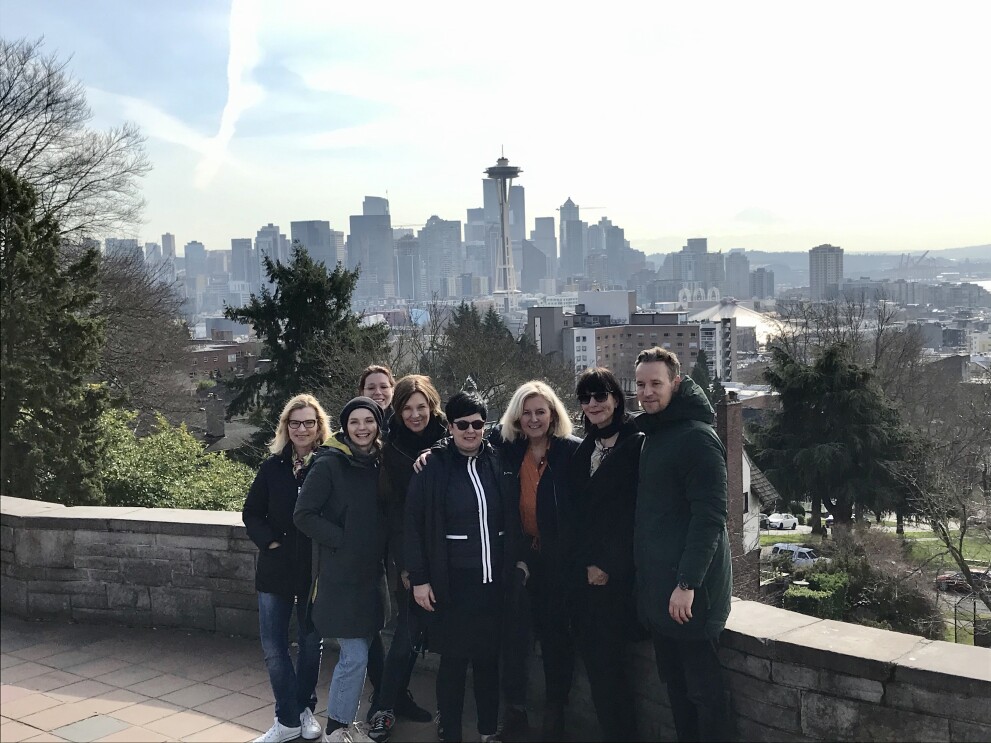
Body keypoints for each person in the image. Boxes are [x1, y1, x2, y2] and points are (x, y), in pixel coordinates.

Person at [404, 391, 523, 743]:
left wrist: (517, 563)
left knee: (488, 661)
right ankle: (450, 730)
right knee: (454, 662)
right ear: (450, 427)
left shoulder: (498, 461)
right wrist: (421, 579)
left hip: (492, 583)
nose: (471, 431)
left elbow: (513, 518)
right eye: (463, 424)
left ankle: (488, 730)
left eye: (477, 423)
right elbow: (413, 525)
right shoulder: (432, 468)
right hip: (453, 584)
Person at [633, 347, 732, 743]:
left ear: (676, 383)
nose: (647, 392)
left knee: (705, 696)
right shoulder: (657, 433)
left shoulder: (696, 438)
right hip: (661, 593)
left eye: (656, 383)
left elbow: (710, 517)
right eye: (640, 384)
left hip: (691, 595)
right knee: (676, 691)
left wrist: (688, 583)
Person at [294, 397, 390, 743]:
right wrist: (343, 539)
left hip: (369, 576)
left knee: (360, 652)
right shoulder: (330, 463)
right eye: (354, 422)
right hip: (339, 577)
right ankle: (337, 729)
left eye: (369, 421)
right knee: (356, 655)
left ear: (378, 425)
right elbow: (303, 514)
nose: (362, 428)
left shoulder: (380, 462)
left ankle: (341, 726)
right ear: (345, 427)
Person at [492, 380, 581, 740]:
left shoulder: (572, 452)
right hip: (522, 558)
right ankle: (514, 716)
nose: (533, 419)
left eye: (540, 412)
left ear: (553, 414)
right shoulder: (507, 451)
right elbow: (461, 434)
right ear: (516, 417)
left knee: (557, 640)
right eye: (526, 413)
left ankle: (554, 718)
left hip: (560, 562)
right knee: (513, 641)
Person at [243, 394, 330, 743]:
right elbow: (252, 513)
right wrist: (271, 543)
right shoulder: (272, 467)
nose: (302, 429)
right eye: (294, 423)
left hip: (314, 572)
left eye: (309, 422)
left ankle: (304, 709)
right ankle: (288, 718)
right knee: (273, 646)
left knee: (311, 644)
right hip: (275, 570)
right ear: (285, 427)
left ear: (319, 426)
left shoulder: (329, 463)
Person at [368, 375, 448, 742]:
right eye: (407, 409)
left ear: (433, 406)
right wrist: (406, 566)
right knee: (407, 633)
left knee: (445, 637)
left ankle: (438, 707)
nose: (415, 415)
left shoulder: (450, 440)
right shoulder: (391, 450)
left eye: (421, 407)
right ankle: (384, 706)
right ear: (397, 413)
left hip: (452, 556)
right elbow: (397, 517)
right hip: (413, 558)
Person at [569, 368, 644, 742]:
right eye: (586, 398)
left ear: (616, 398)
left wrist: (607, 566)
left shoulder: (637, 444)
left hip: (618, 580)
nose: (593, 404)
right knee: (600, 671)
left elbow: (636, 516)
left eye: (600, 396)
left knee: (612, 671)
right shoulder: (586, 447)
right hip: (587, 580)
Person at [359, 365, 396, 433]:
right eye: (371, 388)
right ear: (362, 392)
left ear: (392, 390)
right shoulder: (351, 422)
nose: (378, 392)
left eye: (383, 387)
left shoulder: (404, 421)